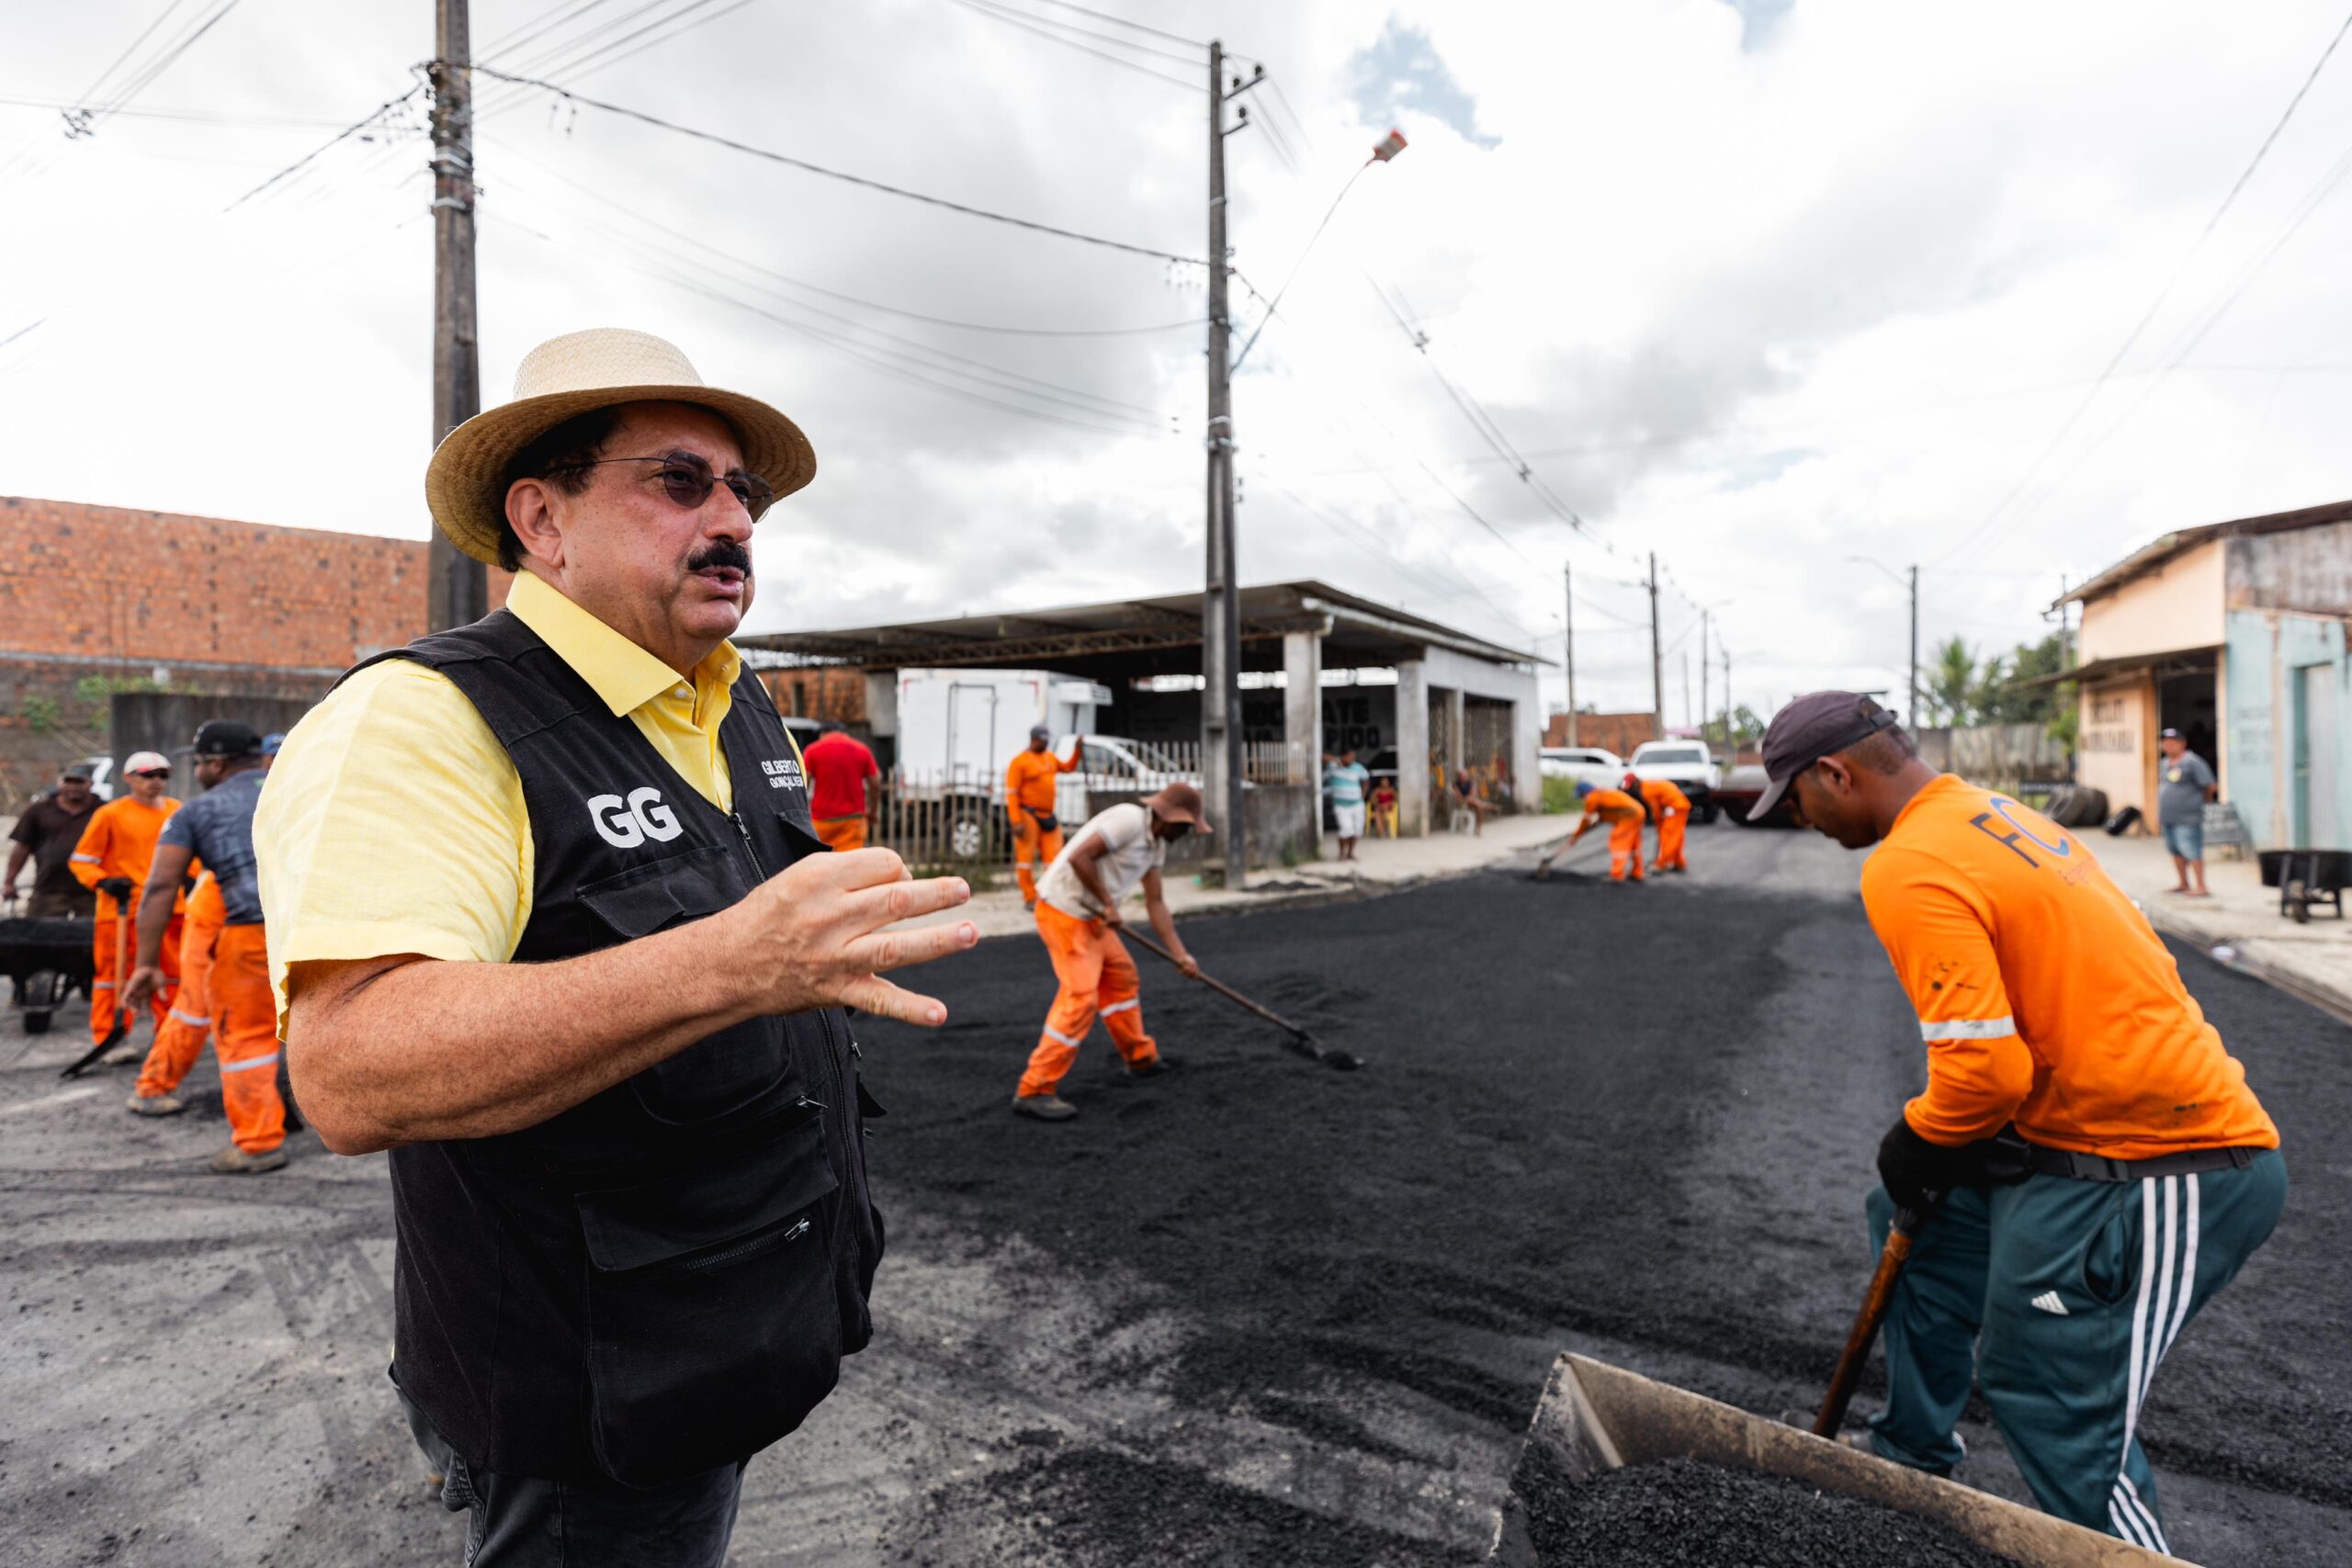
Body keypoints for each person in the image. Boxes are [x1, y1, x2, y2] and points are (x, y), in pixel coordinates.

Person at [253, 327, 977, 1564]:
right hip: (587, 1387)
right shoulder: (425, 719)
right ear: (542, 518)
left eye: (742, 489)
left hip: (719, 1333)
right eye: (679, 481)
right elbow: (351, 1066)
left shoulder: (735, 695)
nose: (733, 519)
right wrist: (728, 962)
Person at [1752, 691, 2283, 1551]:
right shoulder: (1990, 814)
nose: (1799, 817)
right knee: (1913, 1221)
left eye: (1797, 797)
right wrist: (1942, 1148)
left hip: (2173, 1161)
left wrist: (1920, 1133)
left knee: (2044, 1377)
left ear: (1834, 773)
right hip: (2077, 1132)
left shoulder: (1907, 862)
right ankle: (1908, 1455)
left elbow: (1983, 1070)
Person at [121, 722, 288, 1171]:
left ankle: (258, 1143)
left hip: (252, 934)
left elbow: (159, 888)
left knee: (245, 1037)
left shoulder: (197, 812)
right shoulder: (301, 791)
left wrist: (147, 964)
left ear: (214, 763)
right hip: (323, 928)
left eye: (196, 763)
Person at [1012, 783, 1208, 1122]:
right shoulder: (1129, 820)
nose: (1188, 832)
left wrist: (1181, 955)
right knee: (1081, 997)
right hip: (1063, 911)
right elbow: (1080, 857)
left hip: (1093, 918)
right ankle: (1035, 1088)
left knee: (1121, 978)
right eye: (1187, 826)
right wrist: (1107, 903)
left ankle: (1140, 1058)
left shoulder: (1155, 846)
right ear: (1169, 818)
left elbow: (1156, 902)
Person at [69, 750, 181, 1046]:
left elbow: (192, 861)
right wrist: (103, 881)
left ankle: (168, 1041)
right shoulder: (110, 814)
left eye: (162, 775)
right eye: (148, 775)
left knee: (173, 977)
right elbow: (81, 860)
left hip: (172, 911)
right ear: (129, 778)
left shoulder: (177, 812)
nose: (156, 781)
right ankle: (110, 1038)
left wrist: (192, 876)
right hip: (122, 912)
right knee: (113, 978)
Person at [7, 761, 100, 918]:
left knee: (91, 939)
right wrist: (9, 882)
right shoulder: (39, 811)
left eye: (79, 782)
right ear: (60, 783)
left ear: (90, 784)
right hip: (49, 891)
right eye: (68, 781)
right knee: (39, 937)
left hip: (92, 892)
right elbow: (22, 847)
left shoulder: (103, 811)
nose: (74, 786)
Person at [1005, 724, 1079, 908]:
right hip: (1027, 815)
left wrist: (1077, 750)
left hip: (1048, 816)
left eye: (1047, 740)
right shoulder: (1019, 762)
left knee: (1054, 859)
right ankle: (1029, 897)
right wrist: (1016, 821)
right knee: (1026, 858)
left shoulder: (1050, 758)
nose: (1046, 744)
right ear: (1034, 740)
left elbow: (1068, 768)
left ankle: (1051, 895)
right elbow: (1012, 793)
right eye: (1043, 740)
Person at [2156, 728, 2218, 897]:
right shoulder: (2164, 763)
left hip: (2188, 816)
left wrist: (2203, 803)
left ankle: (2201, 886)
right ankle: (2183, 883)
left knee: (2191, 850)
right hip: (2169, 816)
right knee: (2175, 850)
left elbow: (2210, 786)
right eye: (2165, 743)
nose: (2168, 746)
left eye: (2172, 742)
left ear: (2182, 744)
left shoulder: (2192, 762)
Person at [803, 719, 879, 852]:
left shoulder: (812, 750)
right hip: (853, 820)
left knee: (823, 862)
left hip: (822, 820)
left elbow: (803, 784)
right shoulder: (862, 749)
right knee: (850, 863)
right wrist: (872, 811)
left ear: (823, 733)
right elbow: (875, 783)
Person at [1565, 779, 1646, 882]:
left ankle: (1617, 874)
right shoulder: (1602, 794)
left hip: (1629, 815)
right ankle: (1637, 872)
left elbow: (1585, 820)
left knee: (1618, 840)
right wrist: (1596, 822)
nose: (1583, 799)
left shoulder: (1592, 798)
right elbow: (1608, 811)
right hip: (1638, 811)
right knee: (1634, 844)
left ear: (1584, 793)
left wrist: (1576, 836)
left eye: (1581, 796)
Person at [1625, 770, 1691, 874]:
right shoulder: (1648, 784)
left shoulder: (1646, 791)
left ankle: (1662, 864)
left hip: (1675, 808)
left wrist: (1659, 824)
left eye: (1632, 786)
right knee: (1676, 836)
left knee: (1668, 837)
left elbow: (1656, 810)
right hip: (1678, 806)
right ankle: (1679, 862)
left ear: (1636, 782)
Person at [1323, 747, 1371, 861]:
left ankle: (1350, 853)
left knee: (1357, 830)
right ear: (1343, 756)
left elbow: (1366, 779)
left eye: (1354, 757)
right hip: (1341, 805)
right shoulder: (1333, 766)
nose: (1352, 759)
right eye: (1350, 757)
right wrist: (1335, 760)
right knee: (1346, 829)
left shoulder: (1358, 767)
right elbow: (1321, 757)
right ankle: (1341, 854)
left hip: (1357, 804)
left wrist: (1363, 794)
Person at [1368, 775, 1399, 839]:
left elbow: (1396, 799)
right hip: (1380, 807)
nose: (1385, 784)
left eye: (1386, 782)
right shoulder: (1377, 790)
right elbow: (1372, 799)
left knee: (1382, 811)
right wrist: (1376, 801)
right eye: (1383, 782)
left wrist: (1389, 804)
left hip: (1389, 807)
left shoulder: (1392, 790)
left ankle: (1379, 832)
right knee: (1378, 811)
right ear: (1381, 783)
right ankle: (1381, 831)